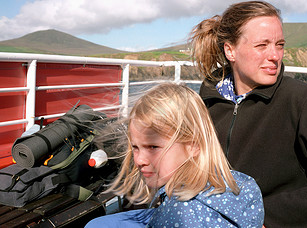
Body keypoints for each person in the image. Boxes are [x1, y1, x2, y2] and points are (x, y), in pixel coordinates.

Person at [189, 0, 307, 228]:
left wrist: (269, 218)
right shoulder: (204, 103)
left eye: (279, 45)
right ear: (230, 50)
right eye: (262, 45)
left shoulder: (302, 102)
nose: (275, 55)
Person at [85, 82, 264, 227]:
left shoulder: (180, 214)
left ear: (193, 145)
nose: (139, 160)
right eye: (136, 147)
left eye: (153, 147)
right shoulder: (243, 184)